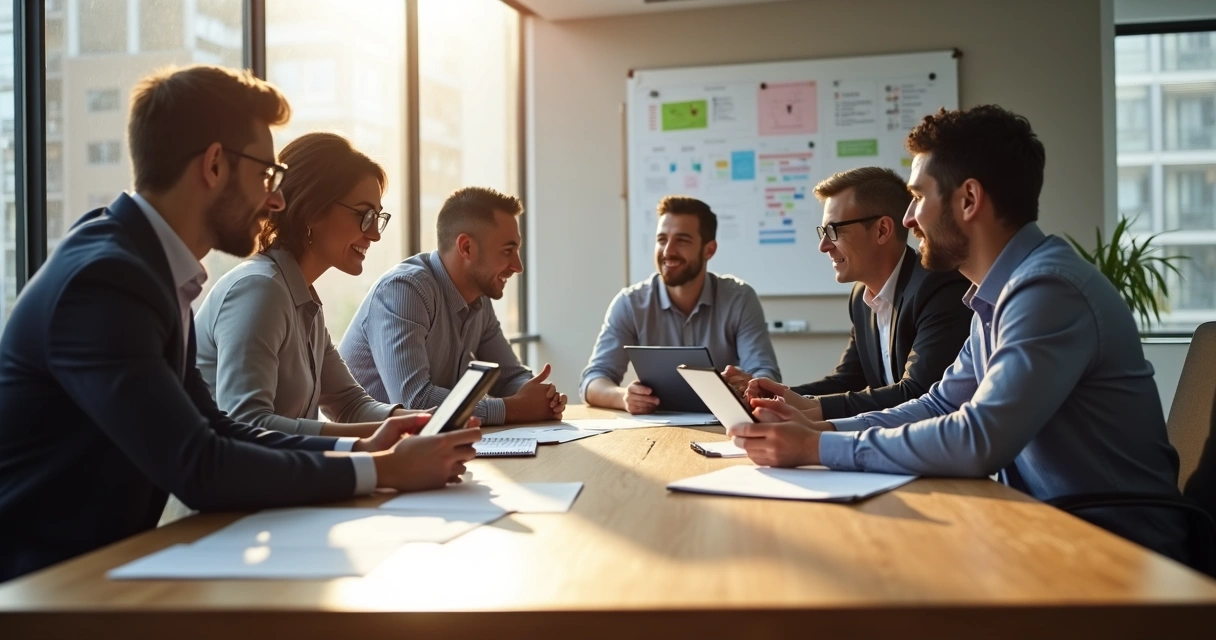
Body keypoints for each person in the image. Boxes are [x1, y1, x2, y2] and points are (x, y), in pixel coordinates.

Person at [0, 66, 479, 583]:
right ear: (213, 165)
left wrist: (364, 449)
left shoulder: (146, 269)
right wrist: (383, 468)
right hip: (40, 589)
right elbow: (199, 464)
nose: (276, 200)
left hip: (97, 573)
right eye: (266, 176)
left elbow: (216, 426)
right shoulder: (108, 280)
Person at [728, 105, 1187, 560]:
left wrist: (817, 446)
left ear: (969, 199)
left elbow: (979, 438)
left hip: (1116, 547)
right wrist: (819, 427)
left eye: (918, 197)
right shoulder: (997, 294)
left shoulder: (1049, 289)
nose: (908, 218)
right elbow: (939, 405)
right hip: (1043, 526)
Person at [195, 132, 416, 439]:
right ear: (312, 210)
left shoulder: (302, 298)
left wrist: (423, 422)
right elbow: (248, 424)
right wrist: (377, 438)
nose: (375, 234)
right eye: (365, 215)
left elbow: (349, 403)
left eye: (378, 217)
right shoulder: (260, 290)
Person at [723, 167, 972, 421]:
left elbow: (918, 393)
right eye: (823, 232)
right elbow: (848, 381)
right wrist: (771, 396)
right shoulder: (861, 296)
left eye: (834, 231)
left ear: (882, 230)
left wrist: (810, 407)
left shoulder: (938, 287)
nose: (823, 246)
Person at [340, 187, 567, 426]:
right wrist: (512, 408)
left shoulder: (479, 299)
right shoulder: (405, 290)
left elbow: (509, 377)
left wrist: (540, 396)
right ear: (466, 247)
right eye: (507, 251)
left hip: (428, 444)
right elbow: (414, 402)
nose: (517, 266)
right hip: (373, 445)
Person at [582, 196, 780, 414]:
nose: (668, 251)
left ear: (709, 250)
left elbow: (766, 373)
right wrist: (624, 398)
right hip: (657, 426)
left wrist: (751, 386)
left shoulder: (739, 299)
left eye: (682, 240)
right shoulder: (630, 303)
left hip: (724, 425)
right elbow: (593, 380)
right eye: (661, 240)